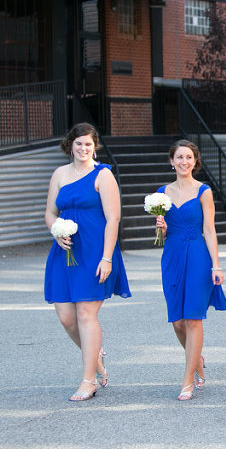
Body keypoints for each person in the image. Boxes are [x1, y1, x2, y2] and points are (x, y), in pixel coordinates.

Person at [44, 123, 131, 401]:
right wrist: (56, 231)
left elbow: (113, 219)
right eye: (79, 143)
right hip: (65, 250)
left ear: (95, 147)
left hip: (95, 251)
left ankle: (88, 380)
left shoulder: (103, 175)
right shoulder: (59, 173)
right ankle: (96, 358)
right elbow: (50, 211)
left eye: (89, 145)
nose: (83, 149)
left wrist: (107, 257)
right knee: (66, 318)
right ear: (71, 144)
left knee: (85, 314)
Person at [154, 140, 226, 400]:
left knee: (193, 318)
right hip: (172, 255)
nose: (184, 162)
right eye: (179, 157)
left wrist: (216, 265)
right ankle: (196, 358)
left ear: (195, 162)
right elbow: (162, 236)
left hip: (198, 255)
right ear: (171, 161)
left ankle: (187, 380)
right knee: (177, 322)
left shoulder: (203, 191)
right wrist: (161, 228)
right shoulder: (161, 193)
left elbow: (209, 230)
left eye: (189, 157)